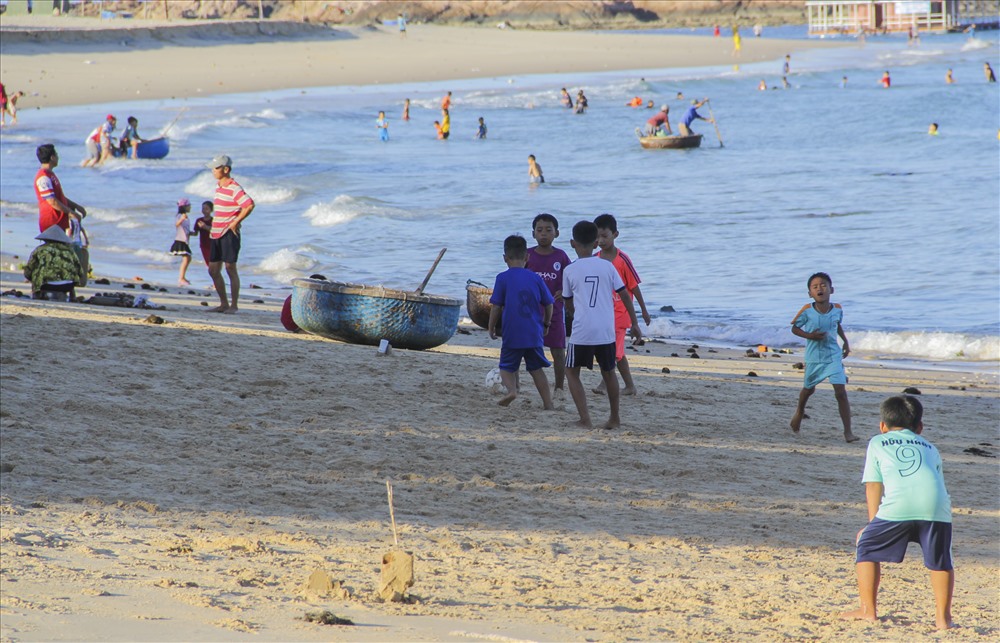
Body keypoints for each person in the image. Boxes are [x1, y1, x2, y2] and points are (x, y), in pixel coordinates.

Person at [840, 395, 954, 630]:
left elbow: (873, 485)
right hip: (937, 508)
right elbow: (938, 484)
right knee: (941, 561)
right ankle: (943, 620)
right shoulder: (931, 447)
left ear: (883, 426)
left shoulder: (877, 442)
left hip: (898, 507)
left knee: (867, 545)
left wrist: (872, 524)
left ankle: (867, 611)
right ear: (919, 427)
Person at [562, 220, 639, 430]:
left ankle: (585, 419)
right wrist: (635, 322)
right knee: (608, 371)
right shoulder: (607, 266)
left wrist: (575, 311)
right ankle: (615, 418)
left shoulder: (569, 270)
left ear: (572, 243)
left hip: (582, 331)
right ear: (596, 243)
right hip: (606, 330)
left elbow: (568, 302)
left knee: (571, 371)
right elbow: (624, 294)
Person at [487, 235, 555, 410]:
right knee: (536, 369)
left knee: (506, 366)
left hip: (512, 332)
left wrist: (491, 326)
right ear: (527, 257)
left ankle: (511, 391)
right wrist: (546, 324)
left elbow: (496, 306)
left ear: (505, 258)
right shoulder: (536, 278)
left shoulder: (502, 278)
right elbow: (549, 304)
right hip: (533, 331)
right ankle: (548, 404)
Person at [789, 272, 857, 443]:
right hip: (814, 357)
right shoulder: (807, 311)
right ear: (810, 293)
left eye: (823, 285)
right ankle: (799, 411)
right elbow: (795, 329)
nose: (820, 288)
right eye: (815, 287)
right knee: (808, 389)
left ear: (831, 289)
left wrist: (845, 342)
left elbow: (837, 326)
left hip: (833, 355)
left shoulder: (838, 309)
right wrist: (809, 336)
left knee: (841, 393)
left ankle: (848, 432)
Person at [592, 213, 649, 396]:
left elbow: (634, 287)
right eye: (597, 236)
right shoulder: (594, 259)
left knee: (613, 352)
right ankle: (629, 386)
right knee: (614, 352)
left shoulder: (622, 260)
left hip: (620, 314)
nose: (600, 240)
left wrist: (643, 313)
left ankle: (605, 384)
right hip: (602, 314)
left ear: (615, 235)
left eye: (604, 236)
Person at [526, 213, 571, 391]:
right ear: (533, 234)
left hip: (555, 313)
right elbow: (516, 276)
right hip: (529, 313)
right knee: (523, 349)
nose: (543, 234)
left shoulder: (560, 256)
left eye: (548, 230)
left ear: (557, 233)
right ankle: (515, 384)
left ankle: (559, 388)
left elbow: (571, 278)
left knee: (558, 351)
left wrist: (565, 291)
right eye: (539, 230)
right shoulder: (527, 255)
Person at [205, 154, 255, 314]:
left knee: (230, 268)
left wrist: (235, 221)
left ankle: (234, 306)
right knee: (213, 270)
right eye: (213, 168)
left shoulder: (234, 187)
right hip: (216, 233)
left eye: (216, 168)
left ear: (226, 169)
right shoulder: (219, 187)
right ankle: (223, 304)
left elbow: (249, 205)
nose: (213, 171)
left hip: (229, 233)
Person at [23, 224, 85, 301]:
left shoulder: (40, 249)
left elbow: (29, 269)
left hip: (45, 285)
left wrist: (30, 278)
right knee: (69, 271)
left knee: (36, 270)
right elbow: (80, 271)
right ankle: (72, 296)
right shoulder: (70, 251)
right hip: (67, 286)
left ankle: (37, 294)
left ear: (45, 239)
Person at [34, 144, 86, 234]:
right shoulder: (43, 177)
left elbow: (58, 197)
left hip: (59, 223)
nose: (58, 157)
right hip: (51, 223)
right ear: (52, 157)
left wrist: (75, 206)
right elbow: (52, 201)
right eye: (56, 155)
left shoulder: (50, 174)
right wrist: (70, 212)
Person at [171, 198, 194, 286]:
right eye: (189, 206)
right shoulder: (180, 216)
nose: (190, 207)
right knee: (187, 258)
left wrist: (191, 233)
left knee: (187, 258)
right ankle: (181, 278)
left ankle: (182, 277)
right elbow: (176, 224)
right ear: (185, 207)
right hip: (180, 240)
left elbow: (185, 229)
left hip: (184, 240)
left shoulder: (185, 216)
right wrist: (181, 220)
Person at [192, 200, 214, 268]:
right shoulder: (199, 220)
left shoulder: (213, 220)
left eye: (206, 209)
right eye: (203, 208)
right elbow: (195, 233)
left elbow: (215, 231)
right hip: (204, 245)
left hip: (213, 244)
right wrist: (186, 233)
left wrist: (205, 227)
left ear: (211, 210)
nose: (204, 210)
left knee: (214, 263)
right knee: (208, 263)